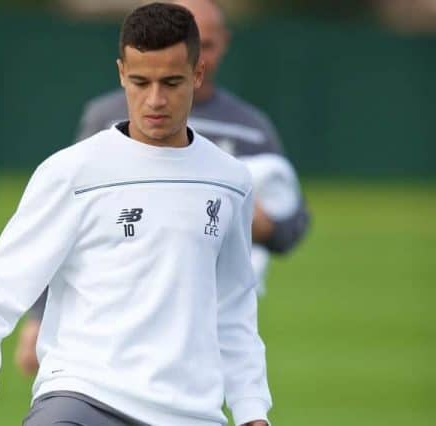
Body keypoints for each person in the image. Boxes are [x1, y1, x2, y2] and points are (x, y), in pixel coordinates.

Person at [0, 3, 271, 425]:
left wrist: (251, 409)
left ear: (197, 74)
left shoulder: (231, 181)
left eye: (171, 82)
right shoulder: (72, 171)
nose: (155, 99)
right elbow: (2, 281)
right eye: (140, 82)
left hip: (190, 413)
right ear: (121, 73)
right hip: (82, 398)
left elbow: (233, 308)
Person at [16, 0, 309, 378]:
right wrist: (38, 318)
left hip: (204, 319)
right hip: (113, 319)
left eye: (207, 44)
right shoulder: (108, 118)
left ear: (220, 47)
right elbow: (65, 221)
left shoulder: (251, 128)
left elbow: (294, 222)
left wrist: (262, 225)